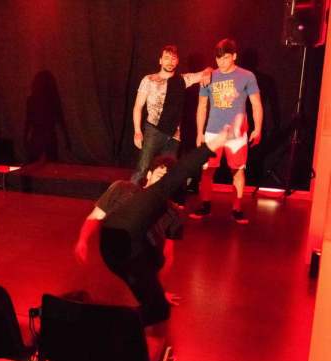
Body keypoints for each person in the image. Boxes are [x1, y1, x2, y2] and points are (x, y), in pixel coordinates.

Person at [75, 121, 237, 326]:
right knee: (165, 187)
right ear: (149, 175)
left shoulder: (172, 213)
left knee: (159, 310)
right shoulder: (123, 188)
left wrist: (157, 291)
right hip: (115, 235)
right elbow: (95, 216)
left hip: (129, 257)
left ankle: (113, 329)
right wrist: (82, 240)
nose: (163, 180)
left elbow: (168, 255)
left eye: (166, 178)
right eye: (159, 174)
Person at [189, 39, 263, 224]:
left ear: (234, 56)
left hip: (236, 134)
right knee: (207, 170)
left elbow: (256, 104)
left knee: (237, 170)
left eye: (225, 58)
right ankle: (205, 205)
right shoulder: (208, 76)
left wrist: (258, 128)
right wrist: (199, 132)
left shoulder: (247, 76)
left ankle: (237, 209)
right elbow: (201, 107)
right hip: (213, 132)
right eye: (218, 58)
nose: (221, 62)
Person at [131, 45, 212, 189]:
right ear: (160, 60)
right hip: (154, 130)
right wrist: (137, 131)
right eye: (166, 58)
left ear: (177, 61)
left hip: (174, 134)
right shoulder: (149, 79)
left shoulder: (182, 79)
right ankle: (130, 197)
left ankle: (161, 201)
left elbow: (207, 71)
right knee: (143, 168)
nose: (170, 61)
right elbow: (138, 106)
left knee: (167, 172)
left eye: (173, 58)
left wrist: (208, 72)